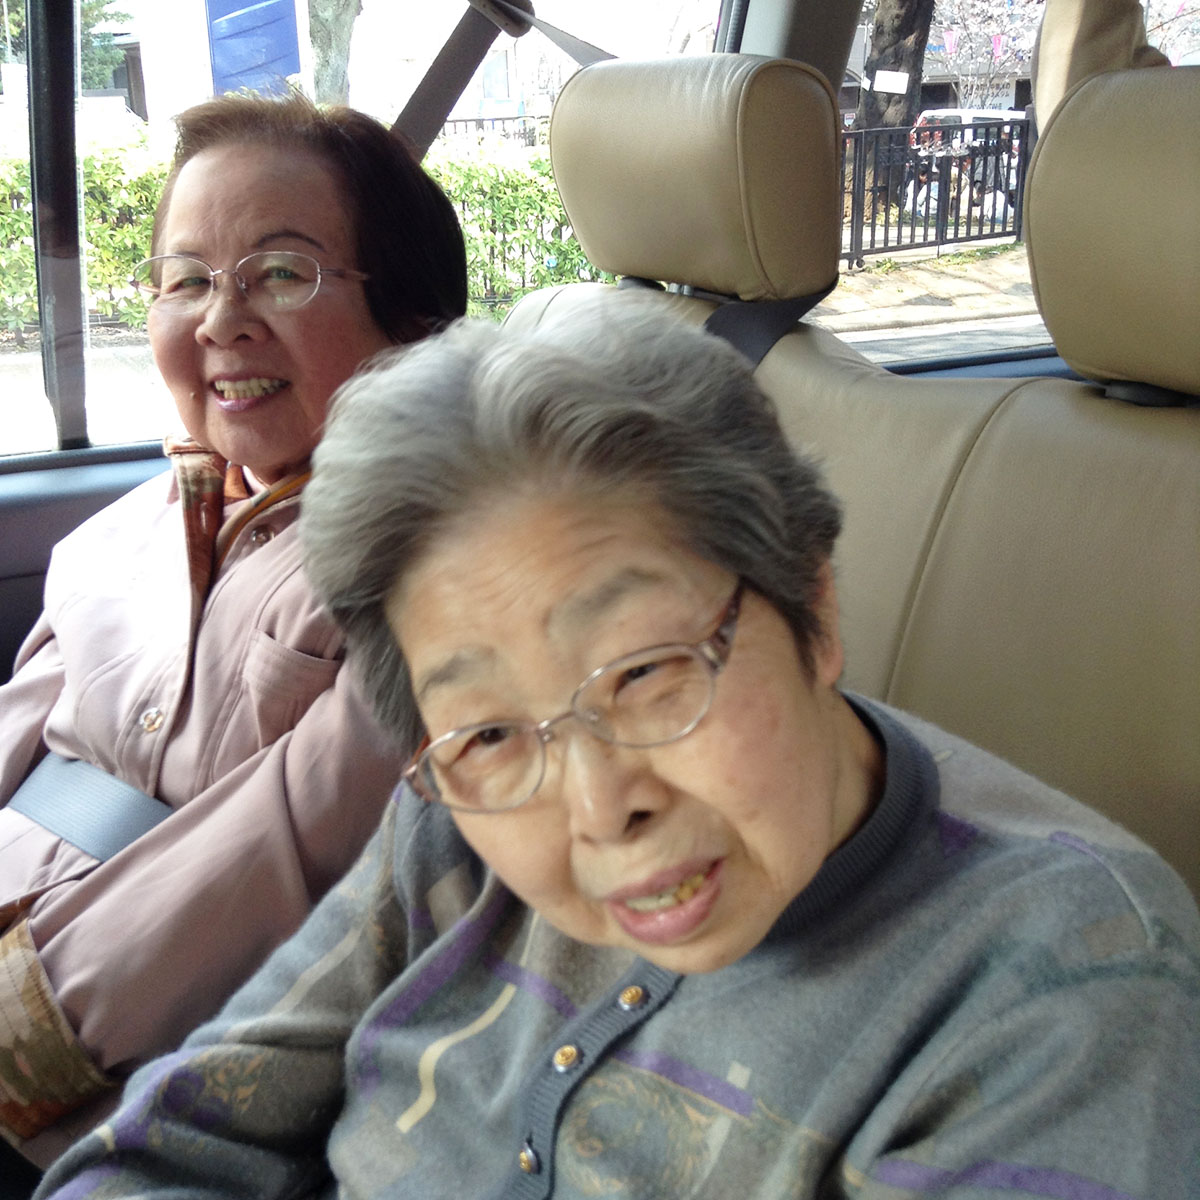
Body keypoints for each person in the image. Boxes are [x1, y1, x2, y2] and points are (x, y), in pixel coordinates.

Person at [37, 297, 1200, 1199]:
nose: (598, 807)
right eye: (490, 729)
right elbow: (177, 1142)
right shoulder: (455, 810)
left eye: (645, 674)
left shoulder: (1067, 987)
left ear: (814, 607)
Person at [0, 91, 467, 1170]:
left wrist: (23, 1037)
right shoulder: (127, 527)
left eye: (282, 273)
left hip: (123, 1087)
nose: (220, 319)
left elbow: (294, 851)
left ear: (412, 323)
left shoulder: (432, 562)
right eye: (187, 279)